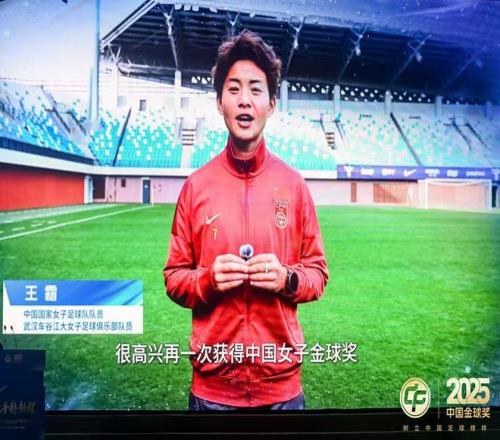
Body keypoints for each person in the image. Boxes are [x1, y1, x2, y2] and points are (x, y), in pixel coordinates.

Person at [163, 30, 329, 410]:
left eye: (256, 89)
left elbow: (317, 274)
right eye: (233, 89)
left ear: (271, 105)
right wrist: (207, 280)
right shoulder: (196, 186)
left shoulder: (295, 185)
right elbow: (174, 278)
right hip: (212, 392)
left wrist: (287, 278)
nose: (244, 100)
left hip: (282, 390)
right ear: (219, 102)